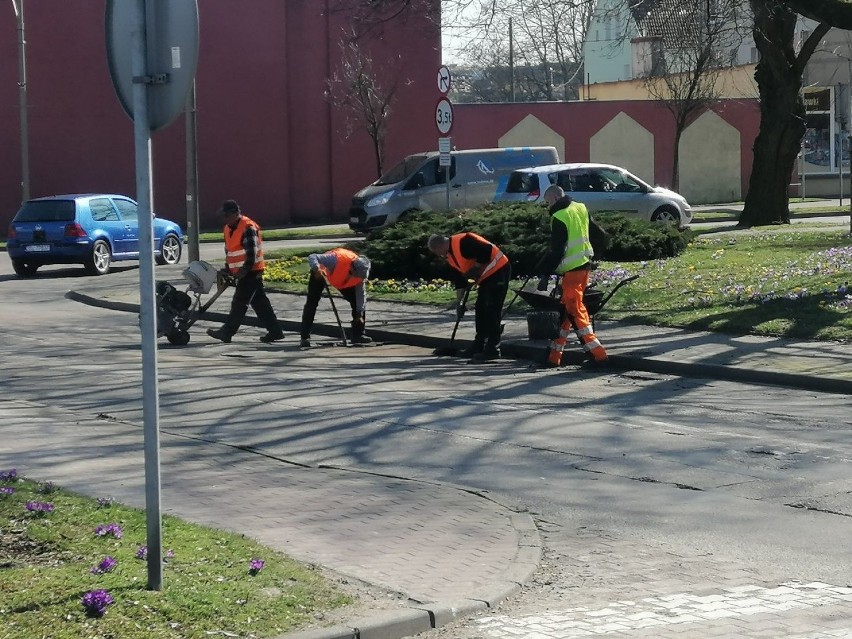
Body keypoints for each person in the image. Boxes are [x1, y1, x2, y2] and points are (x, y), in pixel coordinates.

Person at [538, 184, 608, 367]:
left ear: (553, 199)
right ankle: (553, 356)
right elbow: (599, 233)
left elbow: (557, 251)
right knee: (567, 312)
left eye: (547, 202)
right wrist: (596, 254)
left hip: (571, 270)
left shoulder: (559, 216)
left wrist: (545, 274)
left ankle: (598, 355)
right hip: (584, 267)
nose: (547, 207)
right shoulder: (580, 207)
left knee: (576, 312)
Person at [206, 199, 285, 344]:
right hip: (241, 271)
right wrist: (228, 269)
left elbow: (252, 254)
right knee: (260, 303)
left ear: (235, 214)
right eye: (223, 216)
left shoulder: (248, 227)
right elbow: (230, 251)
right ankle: (275, 331)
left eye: (226, 216)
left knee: (239, 302)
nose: (224, 219)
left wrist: (243, 271)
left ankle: (227, 332)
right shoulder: (227, 228)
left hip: (252, 271)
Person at [427, 232, 511, 361]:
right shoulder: (450, 256)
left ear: (439, 246)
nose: (439, 255)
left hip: (498, 270)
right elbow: (460, 281)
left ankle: (493, 348)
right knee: (481, 309)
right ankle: (479, 345)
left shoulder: (464, 241)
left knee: (491, 309)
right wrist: (459, 303)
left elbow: (486, 250)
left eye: (437, 252)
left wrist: (476, 268)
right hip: (486, 277)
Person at [300, 247, 372, 347]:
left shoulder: (360, 276)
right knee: (312, 303)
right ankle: (305, 337)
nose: (356, 278)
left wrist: (359, 313)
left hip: (341, 281)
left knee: (357, 303)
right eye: (355, 275)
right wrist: (316, 269)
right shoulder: (336, 259)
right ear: (352, 267)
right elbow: (313, 256)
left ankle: (358, 335)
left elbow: (361, 295)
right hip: (321, 273)